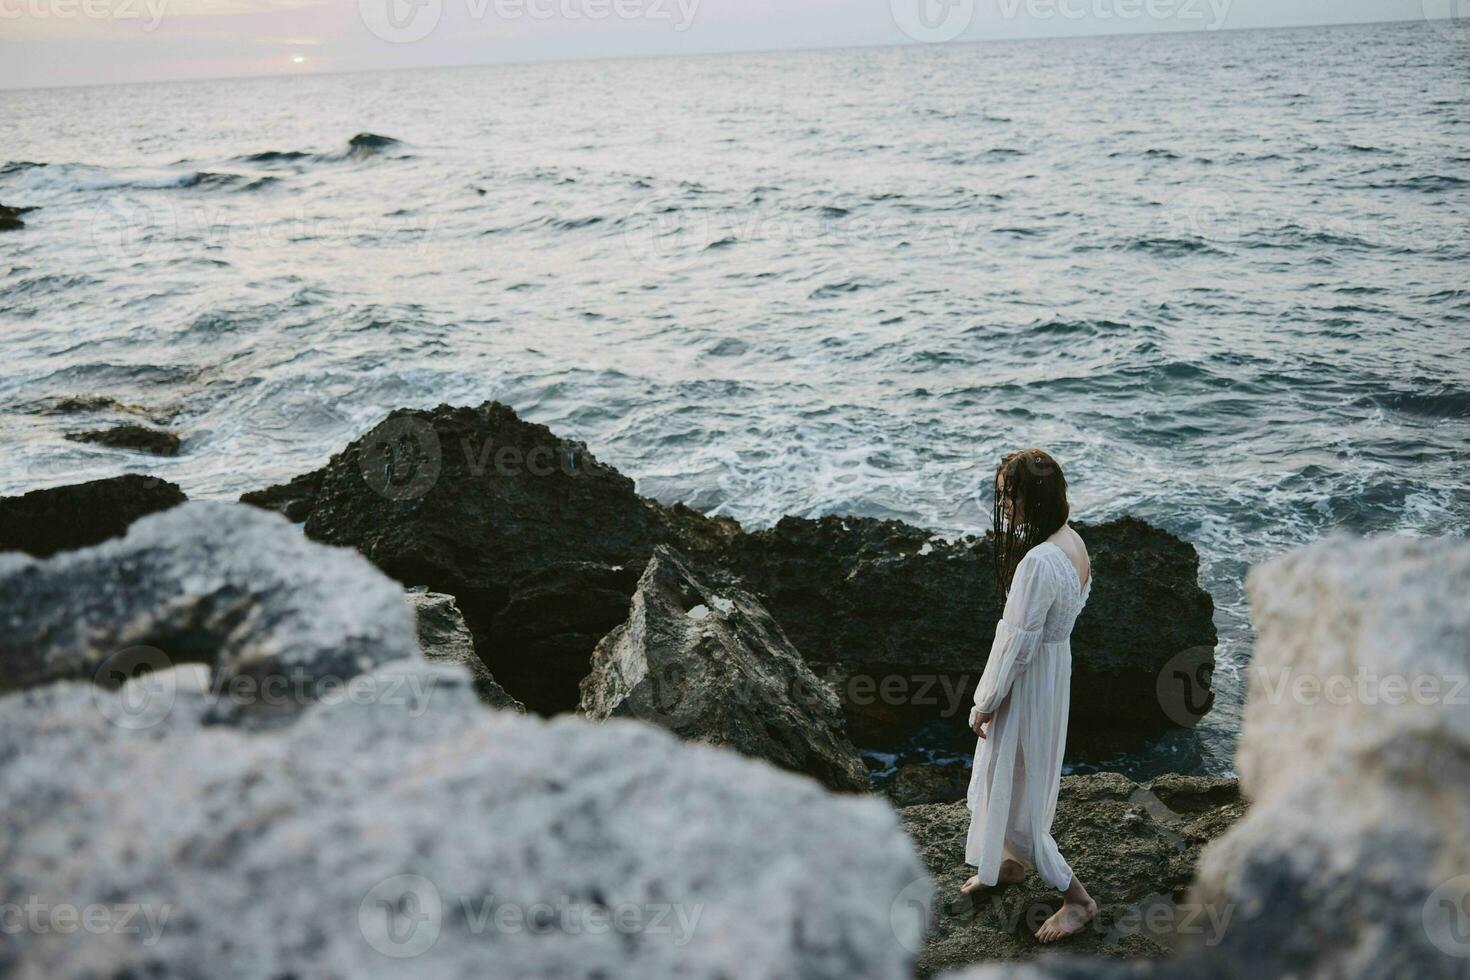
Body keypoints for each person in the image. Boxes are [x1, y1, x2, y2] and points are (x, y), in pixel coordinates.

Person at [960, 448, 1099, 944]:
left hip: (1030, 679)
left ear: (1029, 498)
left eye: (1006, 496)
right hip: (1053, 672)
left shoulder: (1038, 562)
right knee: (1022, 776)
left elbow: (1015, 642)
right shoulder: (1072, 542)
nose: (1002, 506)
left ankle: (1078, 900)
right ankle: (1007, 864)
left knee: (1011, 773)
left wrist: (985, 701)